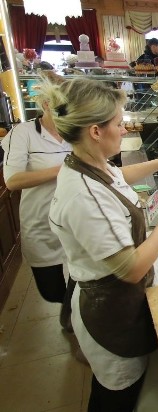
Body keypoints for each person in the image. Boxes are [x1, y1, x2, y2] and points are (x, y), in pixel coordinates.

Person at [43, 77, 158, 411]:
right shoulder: (84, 195)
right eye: (118, 123)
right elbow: (131, 268)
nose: (124, 130)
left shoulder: (88, 162)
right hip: (109, 311)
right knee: (116, 395)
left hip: (121, 302)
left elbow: (118, 178)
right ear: (95, 131)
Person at [1, 71, 74, 333]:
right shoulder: (23, 134)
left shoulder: (73, 132)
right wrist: (64, 168)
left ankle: (75, 322)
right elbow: (13, 181)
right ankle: (69, 313)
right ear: (46, 104)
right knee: (51, 289)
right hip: (41, 223)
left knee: (80, 284)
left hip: (74, 221)